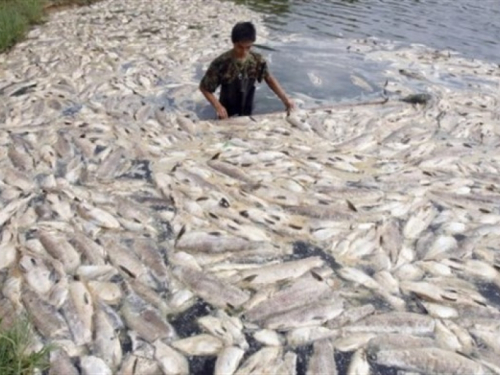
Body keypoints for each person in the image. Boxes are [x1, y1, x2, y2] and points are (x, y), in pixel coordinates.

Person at [199, 21, 295, 119]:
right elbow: (204, 88)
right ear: (234, 42)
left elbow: (269, 78)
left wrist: (285, 99)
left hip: (247, 107)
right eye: (240, 47)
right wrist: (218, 106)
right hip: (227, 110)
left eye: (248, 47)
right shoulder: (221, 63)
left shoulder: (257, 60)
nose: (244, 52)